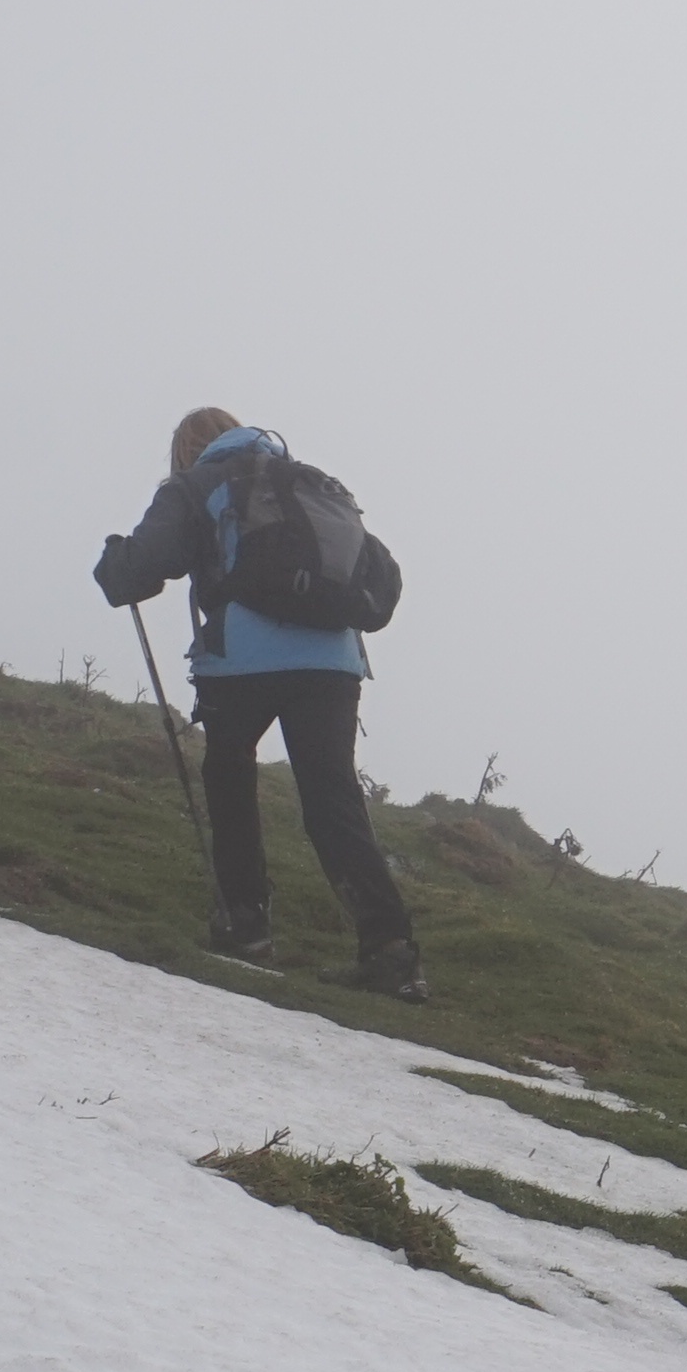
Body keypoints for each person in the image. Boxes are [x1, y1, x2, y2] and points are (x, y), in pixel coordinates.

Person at [92, 409, 427, 999]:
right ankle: (390, 950)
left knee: (230, 776)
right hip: (333, 662)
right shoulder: (310, 482)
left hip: (243, 660)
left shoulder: (196, 483)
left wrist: (116, 562)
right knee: (332, 799)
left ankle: (245, 923)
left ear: (186, 451)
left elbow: (146, 564)